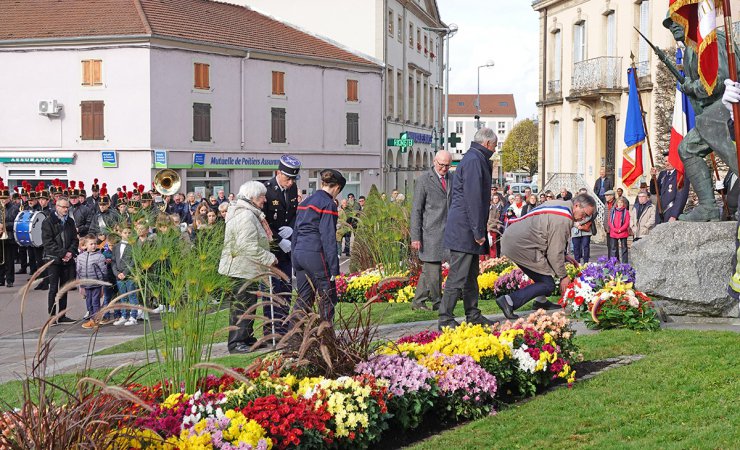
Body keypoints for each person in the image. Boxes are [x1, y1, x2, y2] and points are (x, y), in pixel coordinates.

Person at [498, 194, 597, 319]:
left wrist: (565, 256)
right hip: (520, 245)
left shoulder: (562, 205)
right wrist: (563, 276)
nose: (585, 218)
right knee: (548, 284)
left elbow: (549, 237)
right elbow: (554, 253)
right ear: (577, 205)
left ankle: (541, 301)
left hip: (515, 239)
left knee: (544, 276)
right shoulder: (564, 218)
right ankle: (509, 301)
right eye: (585, 213)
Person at [438, 128, 498, 329]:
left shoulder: (475, 158)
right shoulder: (474, 161)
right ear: (487, 144)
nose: (495, 150)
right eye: (495, 146)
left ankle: (473, 314)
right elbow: (473, 199)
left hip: (466, 229)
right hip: (465, 230)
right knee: (458, 276)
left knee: (471, 276)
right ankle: (445, 318)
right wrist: (478, 232)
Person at [218, 181, 277, 353]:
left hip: (245, 267)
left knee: (248, 303)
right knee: (241, 306)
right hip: (241, 268)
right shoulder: (245, 215)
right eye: (261, 197)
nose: (264, 200)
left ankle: (246, 337)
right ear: (251, 197)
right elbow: (247, 246)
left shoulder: (246, 212)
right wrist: (269, 258)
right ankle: (236, 343)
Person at [292, 169, 345, 322]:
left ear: (322, 183)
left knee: (303, 299)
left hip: (299, 253)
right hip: (315, 254)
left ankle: (294, 338)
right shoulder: (328, 204)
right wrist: (334, 268)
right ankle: (326, 339)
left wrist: (295, 263)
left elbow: (295, 233)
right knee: (328, 297)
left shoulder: (305, 202)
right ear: (337, 188)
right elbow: (328, 237)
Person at [262, 154, 301, 336]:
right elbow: (263, 221)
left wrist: (292, 230)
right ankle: (271, 330)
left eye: (293, 179)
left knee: (286, 288)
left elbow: (294, 214)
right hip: (271, 247)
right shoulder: (266, 190)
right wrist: (279, 239)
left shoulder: (292, 190)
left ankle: (284, 326)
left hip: (287, 248)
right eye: (287, 178)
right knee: (272, 290)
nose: (290, 183)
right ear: (278, 173)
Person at [410, 150, 452, 311]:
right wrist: (415, 236)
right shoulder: (423, 180)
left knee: (429, 269)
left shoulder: (452, 178)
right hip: (430, 233)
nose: (444, 168)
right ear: (435, 162)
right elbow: (416, 210)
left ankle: (418, 301)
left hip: (448, 232)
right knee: (433, 269)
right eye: (442, 165)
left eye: (447, 166)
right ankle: (438, 302)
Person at [41, 196, 78, 324]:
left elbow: (75, 239)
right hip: (53, 260)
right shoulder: (48, 222)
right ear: (57, 207)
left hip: (67, 260)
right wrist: (63, 253)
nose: (66, 209)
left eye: (67, 207)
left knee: (64, 288)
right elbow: (48, 243)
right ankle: (52, 317)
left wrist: (70, 253)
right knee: (53, 289)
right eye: (63, 207)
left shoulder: (70, 222)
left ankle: (62, 315)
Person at [76, 234, 107, 329]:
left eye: (95, 244)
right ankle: (92, 318)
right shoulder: (80, 257)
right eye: (91, 244)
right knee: (88, 302)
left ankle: (95, 321)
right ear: (85, 246)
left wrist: (102, 283)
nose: (93, 246)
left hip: (96, 283)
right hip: (86, 284)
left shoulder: (100, 256)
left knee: (95, 302)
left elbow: (103, 271)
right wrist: (80, 283)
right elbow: (78, 270)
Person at [111, 225, 139, 326]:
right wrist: (117, 273)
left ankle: (133, 316)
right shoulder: (116, 246)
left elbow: (133, 262)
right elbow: (113, 261)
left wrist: (125, 273)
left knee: (132, 295)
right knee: (123, 296)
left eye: (129, 233)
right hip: (119, 276)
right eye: (125, 233)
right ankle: (124, 315)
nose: (127, 235)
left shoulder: (133, 246)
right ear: (121, 233)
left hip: (129, 275)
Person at [0, 183, 20, 287]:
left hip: (10, 237)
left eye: (5, 198)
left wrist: (4, 225)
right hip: (0, 238)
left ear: (9, 198)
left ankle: (10, 280)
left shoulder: (15, 208)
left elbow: (16, 223)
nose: (3, 200)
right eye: (1, 198)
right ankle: (1, 279)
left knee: (9, 260)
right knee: (0, 259)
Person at [609, 197, 630, 262]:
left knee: (624, 248)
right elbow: (609, 222)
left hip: (623, 232)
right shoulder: (612, 211)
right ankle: (613, 263)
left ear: (623, 203)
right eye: (619, 202)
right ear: (616, 203)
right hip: (614, 232)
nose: (620, 204)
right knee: (613, 249)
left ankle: (624, 263)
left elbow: (627, 222)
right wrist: (615, 229)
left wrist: (620, 229)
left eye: (621, 202)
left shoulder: (626, 212)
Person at [603, 190, 616, 257]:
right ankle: (609, 260)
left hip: (614, 227)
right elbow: (605, 215)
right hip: (607, 227)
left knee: (614, 245)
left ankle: (615, 260)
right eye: (605, 195)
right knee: (609, 245)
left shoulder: (616, 203)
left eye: (607, 195)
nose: (606, 197)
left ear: (612, 196)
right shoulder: (606, 204)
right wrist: (604, 225)